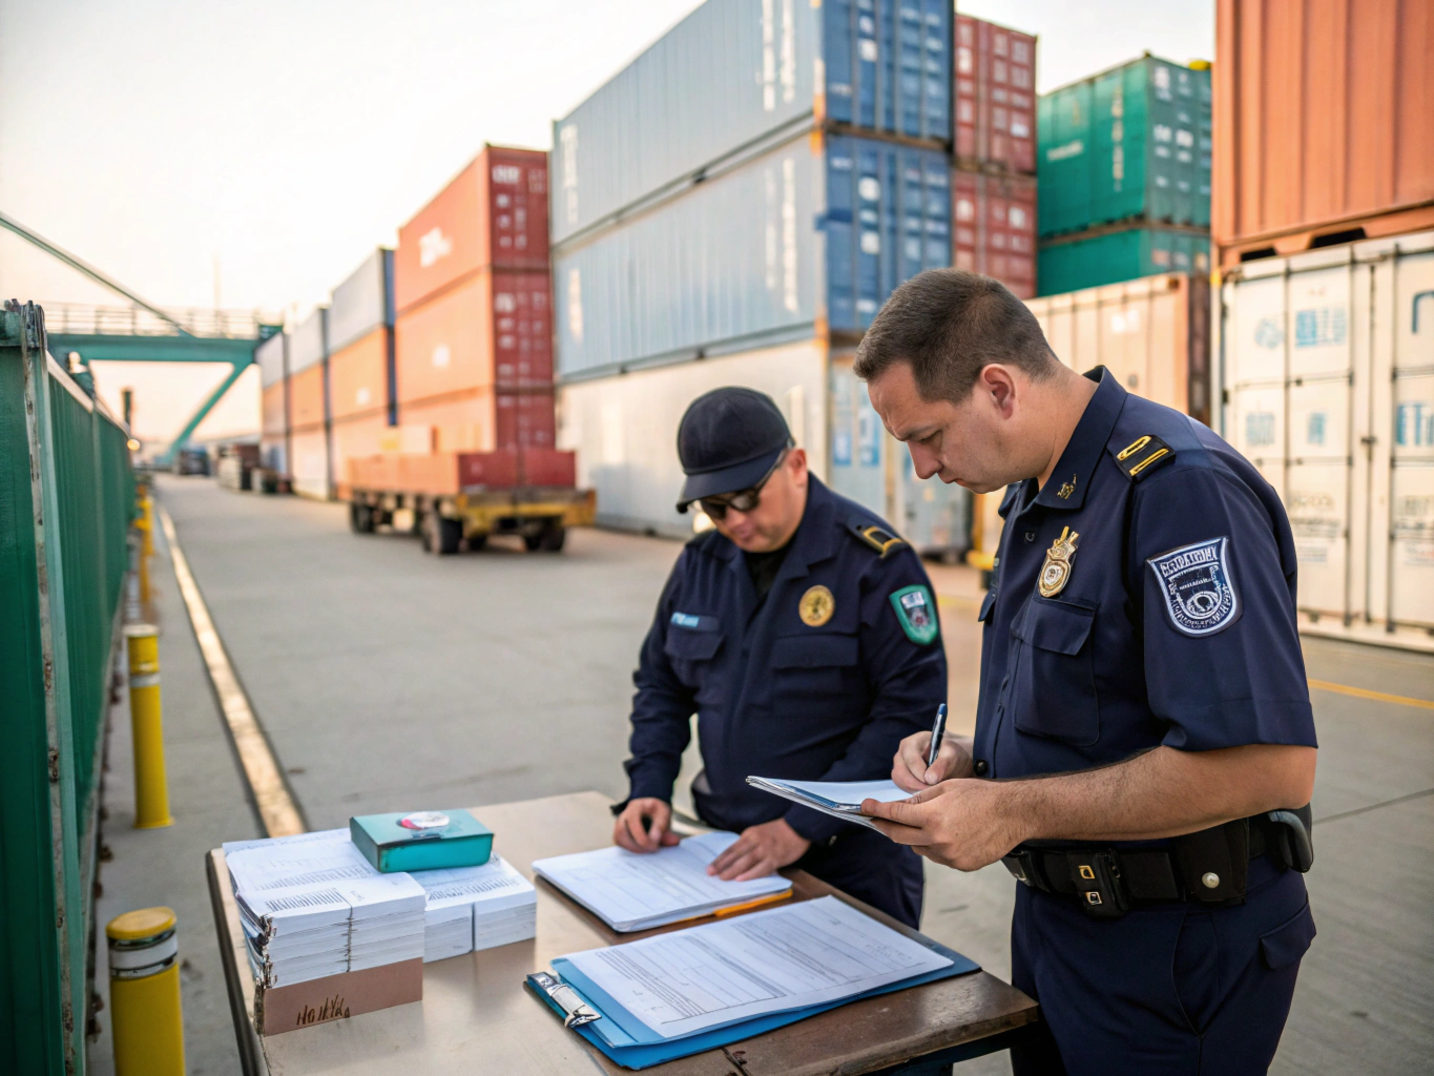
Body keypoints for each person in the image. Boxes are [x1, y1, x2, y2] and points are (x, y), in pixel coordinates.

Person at [851, 270, 1318, 1074]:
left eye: (927, 436)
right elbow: (1093, 714)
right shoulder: (1037, 494)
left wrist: (1011, 809)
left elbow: (1266, 765)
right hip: (1060, 927)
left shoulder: (1177, 489)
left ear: (999, 388)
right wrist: (972, 761)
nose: (923, 468)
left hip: (1170, 951)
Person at [611, 386, 947, 927]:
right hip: (729, 852)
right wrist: (649, 786)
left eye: (746, 498)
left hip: (849, 861)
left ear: (795, 465)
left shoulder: (874, 564)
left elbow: (909, 715)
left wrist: (800, 826)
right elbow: (661, 685)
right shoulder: (701, 564)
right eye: (713, 507)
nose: (734, 520)